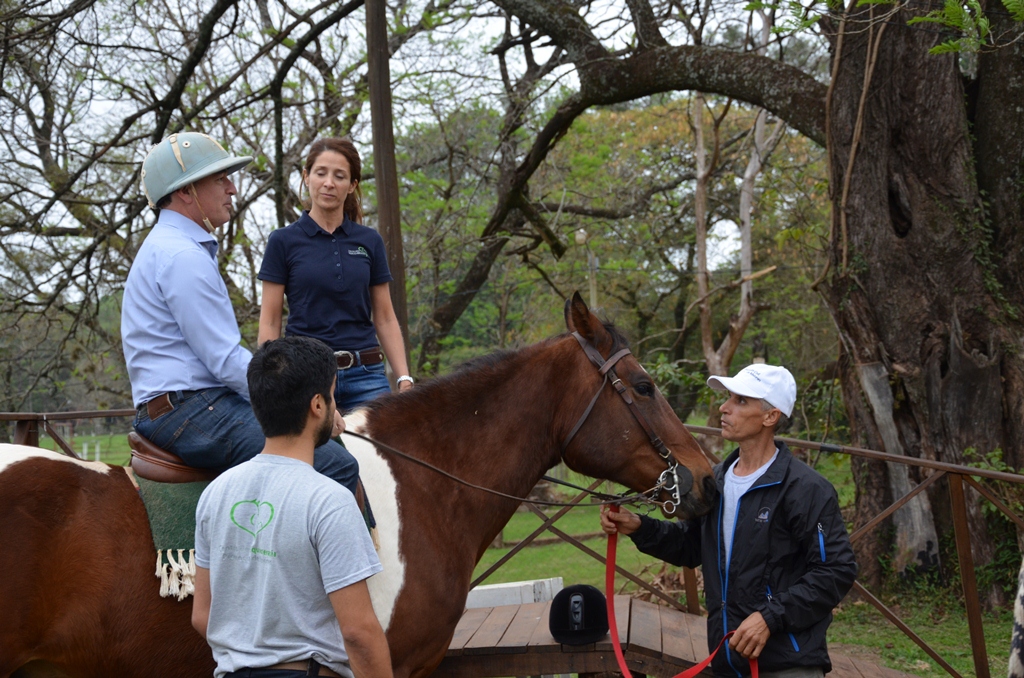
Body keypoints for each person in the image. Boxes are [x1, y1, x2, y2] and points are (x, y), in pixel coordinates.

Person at [122, 131, 360, 497]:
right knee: (335, 464)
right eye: (220, 179)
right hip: (192, 409)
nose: (232, 188)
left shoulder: (173, 247)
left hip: (188, 404)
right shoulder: (182, 257)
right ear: (186, 192)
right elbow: (224, 359)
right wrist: (297, 401)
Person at [600, 364, 857, 678]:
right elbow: (693, 546)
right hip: (726, 660)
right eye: (728, 398)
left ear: (770, 416)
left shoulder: (806, 489)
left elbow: (836, 569)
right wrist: (640, 527)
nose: (724, 407)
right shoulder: (716, 480)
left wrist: (770, 617)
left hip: (787, 664)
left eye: (740, 401)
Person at [192, 336, 392, 678]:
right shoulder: (329, 500)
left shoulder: (216, 493)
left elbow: (202, 615)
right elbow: (358, 633)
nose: (335, 406)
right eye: (331, 396)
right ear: (318, 406)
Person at [257, 137, 413, 413]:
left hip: (367, 376)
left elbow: (385, 317)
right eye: (321, 173)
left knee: (388, 454)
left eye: (339, 176)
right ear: (306, 177)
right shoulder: (282, 241)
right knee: (319, 457)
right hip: (306, 376)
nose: (329, 183)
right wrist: (270, 380)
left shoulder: (369, 241)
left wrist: (404, 379)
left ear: (352, 185)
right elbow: (270, 321)